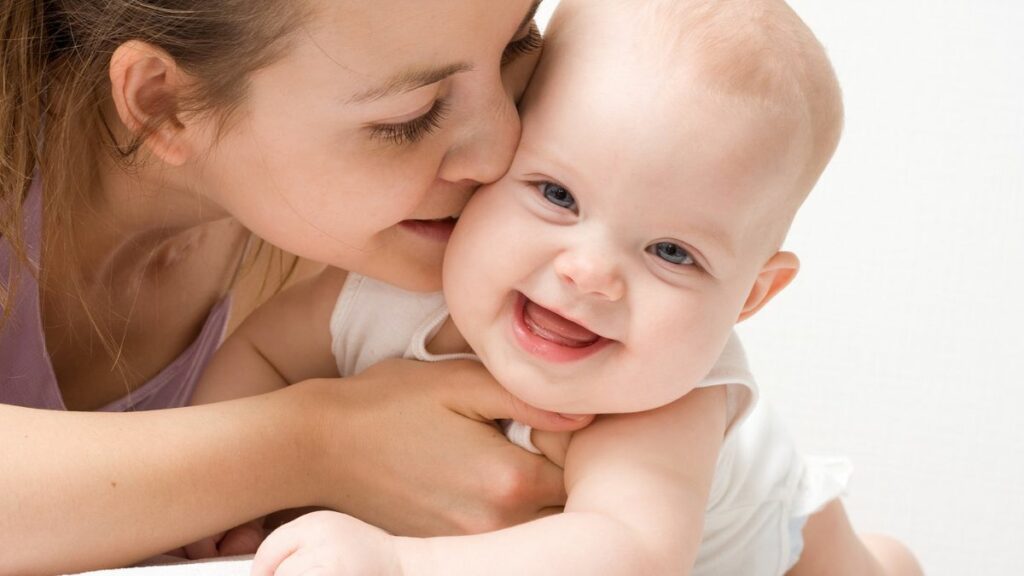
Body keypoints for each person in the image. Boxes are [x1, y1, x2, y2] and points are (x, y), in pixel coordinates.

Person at [194, 0, 923, 574]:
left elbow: (625, 552)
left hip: (773, 540)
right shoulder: (386, 289)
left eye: (672, 251)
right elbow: (262, 357)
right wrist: (223, 506)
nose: (589, 272)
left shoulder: (665, 399)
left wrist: (399, 563)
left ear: (751, 297)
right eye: (556, 195)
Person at [0, 1, 600, 574]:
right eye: (410, 116)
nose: (502, 151)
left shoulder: (360, 243)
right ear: (163, 102)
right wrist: (320, 445)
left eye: (518, 41)